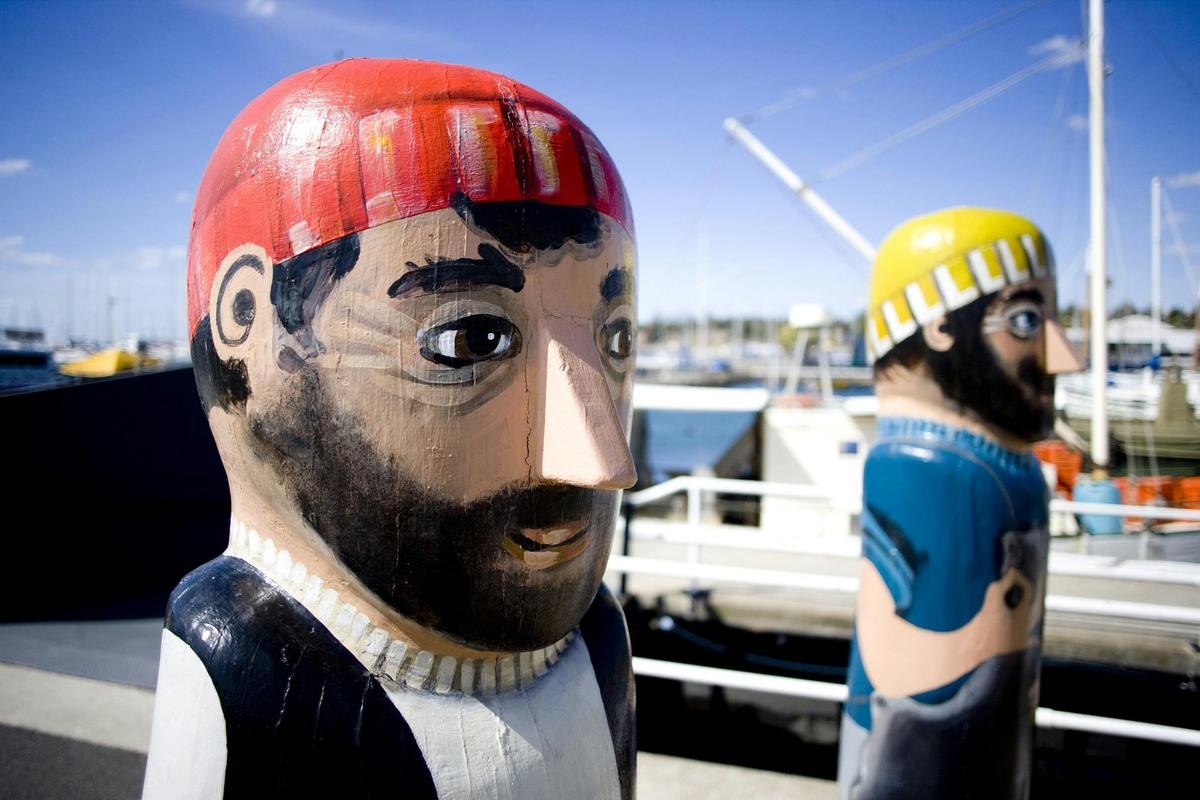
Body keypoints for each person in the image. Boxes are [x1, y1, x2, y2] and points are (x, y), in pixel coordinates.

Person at [142, 59, 638, 800]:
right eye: (469, 341)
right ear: (248, 324)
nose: (602, 461)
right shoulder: (252, 655)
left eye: (617, 341)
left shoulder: (597, 639)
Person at [838, 208, 1083, 798]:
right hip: (913, 761)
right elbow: (892, 663)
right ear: (939, 328)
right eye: (1026, 321)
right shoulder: (921, 466)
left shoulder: (1010, 468)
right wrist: (988, 622)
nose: (1062, 355)